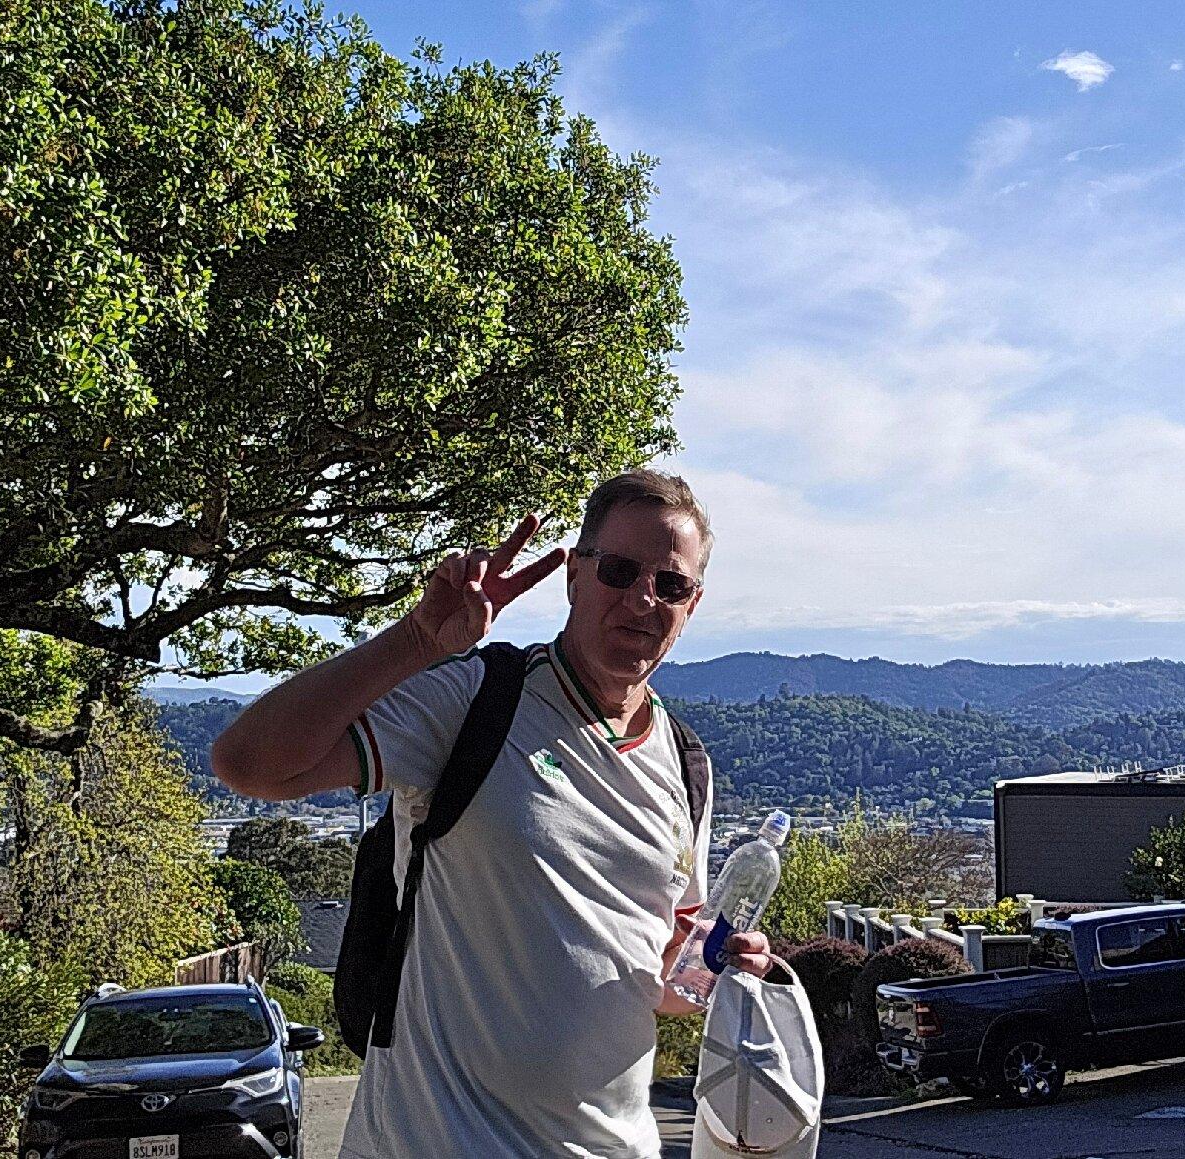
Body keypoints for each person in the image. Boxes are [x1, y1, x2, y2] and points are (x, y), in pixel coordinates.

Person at [213, 469, 770, 1159]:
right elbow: (249, 763)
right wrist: (416, 641)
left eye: (671, 584)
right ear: (574, 577)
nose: (642, 598)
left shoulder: (687, 765)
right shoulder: (476, 699)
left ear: (693, 604)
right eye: (620, 571)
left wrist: (720, 963)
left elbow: (661, 981)